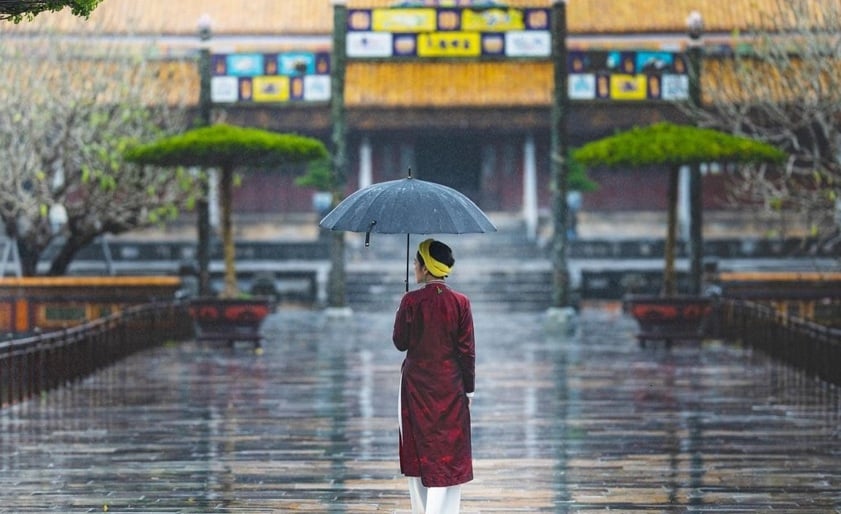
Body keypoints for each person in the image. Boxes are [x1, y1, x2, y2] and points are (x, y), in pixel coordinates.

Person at [392, 238, 475, 514]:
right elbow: (467, 351)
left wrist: (402, 310)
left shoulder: (411, 301)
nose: (414, 267)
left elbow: (400, 342)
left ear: (426, 268)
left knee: (417, 447)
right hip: (451, 386)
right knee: (448, 451)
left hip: (415, 388)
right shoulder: (461, 303)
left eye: (416, 263)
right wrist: (469, 389)